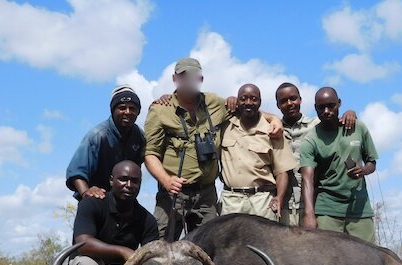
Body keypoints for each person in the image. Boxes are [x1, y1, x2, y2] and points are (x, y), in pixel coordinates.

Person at [144, 57, 284, 240]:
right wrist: (166, 180)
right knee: (160, 244)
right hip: (174, 194)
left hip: (206, 194)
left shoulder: (215, 103)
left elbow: (248, 110)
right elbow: (150, 154)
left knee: (209, 247)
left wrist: (274, 119)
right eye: (183, 76)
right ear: (174, 79)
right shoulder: (160, 110)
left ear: (200, 80)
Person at [65, 160, 158, 265]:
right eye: (123, 179)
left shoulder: (147, 220)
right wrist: (122, 251)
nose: (129, 185)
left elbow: (151, 262)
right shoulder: (91, 203)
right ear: (111, 180)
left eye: (135, 181)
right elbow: (83, 244)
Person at [300, 87, 378, 243]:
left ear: (339, 103)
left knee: (368, 259)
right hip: (327, 209)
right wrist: (309, 215)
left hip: (359, 208)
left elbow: (372, 163)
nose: (327, 111)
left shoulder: (358, 128)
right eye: (321, 107)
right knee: (328, 261)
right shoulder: (311, 140)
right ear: (315, 108)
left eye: (331, 105)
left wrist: (362, 170)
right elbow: (307, 178)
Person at [275, 82, 357, 226]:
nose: (289, 104)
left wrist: (350, 113)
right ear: (277, 105)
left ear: (300, 99)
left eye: (293, 98)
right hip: (283, 206)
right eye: (283, 101)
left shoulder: (317, 125)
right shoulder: (273, 129)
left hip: (314, 205)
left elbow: (342, 129)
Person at [219, 84, 297, 221]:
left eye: (253, 99)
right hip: (231, 201)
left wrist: (279, 198)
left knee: (263, 242)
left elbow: (282, 171)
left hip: (262, 201)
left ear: (260, 102)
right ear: (237, 101)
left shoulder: (273, 130)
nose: (248, 103)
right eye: (243, 99)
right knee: (230, 242)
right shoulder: (225, 126)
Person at [66, 85, 144, 200]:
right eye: (122, 108)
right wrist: (86, 192)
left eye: (132, 108)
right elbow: (76, 172)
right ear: (113, 111)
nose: (127, 112)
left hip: (124, 201)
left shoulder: (139, 136)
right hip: (98, 198)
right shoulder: (97, 136)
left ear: (138, 112)